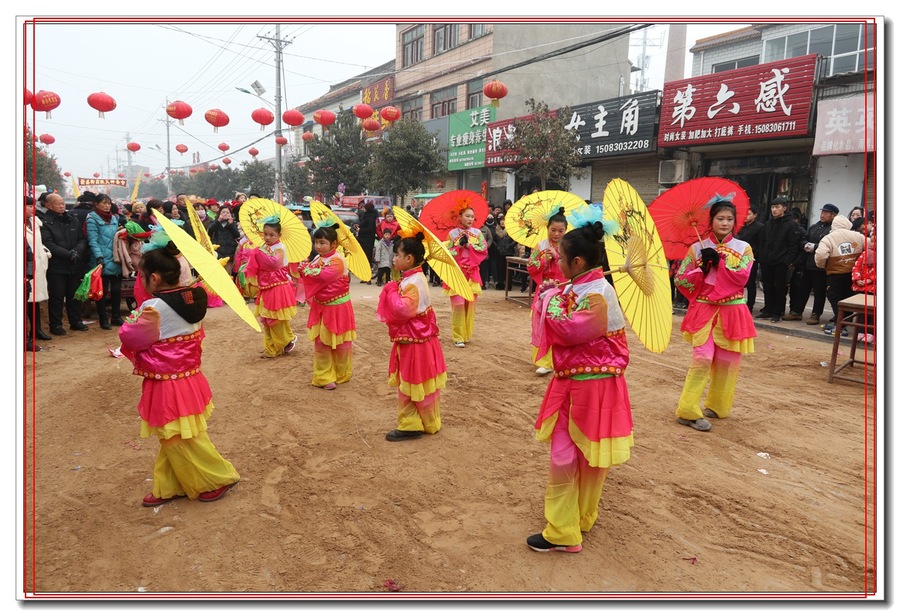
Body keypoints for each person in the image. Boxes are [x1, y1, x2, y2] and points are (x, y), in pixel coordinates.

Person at [526, 218, 634, 553]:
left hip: (591, 386)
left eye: (560, 258)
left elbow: (571, 331)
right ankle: (580, 517)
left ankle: (563, 530)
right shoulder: (584, 288)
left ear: (578, 262)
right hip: (586, 383)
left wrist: (550, 301)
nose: (556, 263)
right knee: (584, 454)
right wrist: (554, 294)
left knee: (569, 456)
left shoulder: (598, 293)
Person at [119, 241, 240, 506]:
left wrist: (132, 319)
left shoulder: (154, 309)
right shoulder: (193, 297)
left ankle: (217, 477)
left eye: (141, 276)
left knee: (177, 436)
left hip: (168, 384)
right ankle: (170, 485)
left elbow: (131, 338)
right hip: (189, 378)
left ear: (154, 278)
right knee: (176, 435)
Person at [673, 199, 757, 431]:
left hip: (733, 310)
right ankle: (687, 411)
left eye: (730, 219)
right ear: (711, 221)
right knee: (702, 359)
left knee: (728, 361)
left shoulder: (744, 248)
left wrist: (720, 264)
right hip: (704, 310)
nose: (725, 223)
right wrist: (702, 269)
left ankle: (718, 406)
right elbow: (681, 278)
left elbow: (743, 277)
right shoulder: (697, 248)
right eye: (720, 218)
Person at [375, 232, 448, 442]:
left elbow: (403, 310)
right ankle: (428, 421)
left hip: (414, 341)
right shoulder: (415, 278)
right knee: (421, 381)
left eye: (397, 255)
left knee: (410, 380)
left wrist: (390, 291)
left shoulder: (413, 282)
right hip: (421, 339)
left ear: (409, 259)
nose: (394, 258)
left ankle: (409, 424)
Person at [298, 225, 357, 390]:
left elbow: (323, 276)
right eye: (316, 242)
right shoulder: (318, 258)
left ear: (333, 244)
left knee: (341, 343)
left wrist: (306, 270)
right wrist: (305, 269)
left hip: (338, 308)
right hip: (321, 307)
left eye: (322, 243)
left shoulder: (337, 260)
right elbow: (315, 273)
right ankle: (323, 376)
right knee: (322, 342)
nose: (318, 246)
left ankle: (341, 373)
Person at [243, 217, 298, 358]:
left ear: (279, 235)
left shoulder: (280, 248)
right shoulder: (263, 248)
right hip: (266, 286)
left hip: (278, 287)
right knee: (266, 319)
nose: (267, 237)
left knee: (275, 319)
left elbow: (273, 263)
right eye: (265, 234)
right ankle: (273, 346)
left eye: (271, 235)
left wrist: (257, 253)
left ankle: (284, 342)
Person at [526, 208, 568, 375]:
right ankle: (544, 360)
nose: (556, 234)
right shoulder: (541, 245)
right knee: (540, 322)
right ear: (547, 228)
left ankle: (558, 359)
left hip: (562, 288)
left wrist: (557, 257)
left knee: (558, 323)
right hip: (544, 288)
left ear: (566, 230)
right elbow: (531, 266)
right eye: (553, 230)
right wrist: (544, 261)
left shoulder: (569, 245)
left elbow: (572, 266)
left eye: (560, 231)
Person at [41, 193, 89, 335]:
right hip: (57, 265)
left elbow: (82, 239)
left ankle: (76, 321)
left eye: (63, 203)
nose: (62, 206)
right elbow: (48, 243)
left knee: (74, 295)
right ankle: (55, 325)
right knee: (57, 296)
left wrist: (76, 251)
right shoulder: (44, 222)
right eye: (58, 203)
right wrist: (68, 254)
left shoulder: (72, 219)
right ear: (48, 205)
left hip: (75, 264)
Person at [815, 215, 866, 336]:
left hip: (835, 274)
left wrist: (823, 265)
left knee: (836, 299)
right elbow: (871, 247)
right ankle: (844, 323)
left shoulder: (828, 238)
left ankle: (840, 325)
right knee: (849, 299)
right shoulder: (858, 237)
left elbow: (820, 255)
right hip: (853, 274)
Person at [445, 206, 488, 348]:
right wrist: (458, 247)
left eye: (472, 217)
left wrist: (470, 246)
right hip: (457, 273)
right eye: (467, 216)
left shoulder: (477, 233)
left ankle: (466, 334)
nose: (470, 219)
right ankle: (457, 336)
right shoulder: (452, 234)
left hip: (472, 273)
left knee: (470, 305)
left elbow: (484, 250)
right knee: (458, 304)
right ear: (460, 216)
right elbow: (447, 253)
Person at [788, 203, 837, 325]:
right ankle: (796, 312)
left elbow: (831, 246)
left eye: (826, 213)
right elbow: (804, 237)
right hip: (808, 263)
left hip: (821, 266)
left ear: (833, 215)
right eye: (822, 212)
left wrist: (815, 247)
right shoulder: (814, 227)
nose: (822, 215)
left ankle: (815, 314)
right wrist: (805, 244)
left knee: (819, 291)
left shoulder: (833, 230)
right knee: (803, 289)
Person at [85, 193, 127, 330]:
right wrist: (99, 256)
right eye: (104, 203)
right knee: (101, 292)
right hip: (101, 260)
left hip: (116, 258)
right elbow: (92, 240)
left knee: (116, 290)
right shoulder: (92, 219)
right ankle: (103, 319)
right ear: (96, 204)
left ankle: (116, 316)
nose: (107, 205)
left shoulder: (115, 218)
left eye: (109, 203)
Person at [756, 196, 801, 323]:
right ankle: (768, 309)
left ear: (784, 208)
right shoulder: (769, 223)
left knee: (780, 287)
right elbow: (763, 241)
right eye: (773, 207)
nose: (774, 210)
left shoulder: (791, 224)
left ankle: (778, 311)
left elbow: (794, 245)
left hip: (781, 261)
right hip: (766, 260)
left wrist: (787, 261)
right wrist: (762, 256)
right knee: (767, 286)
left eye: (777, 207)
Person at [25, 196, 53, 348]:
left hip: (37, 265)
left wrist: (44, 253)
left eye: (32, 206)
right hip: (25, 266)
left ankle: (37, 330)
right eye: (28, 206)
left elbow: (39, 242)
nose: (31, 209)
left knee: (35, 300)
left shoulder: (35, 221)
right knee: (25, 301)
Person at [735, 206, 764, 312]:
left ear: (755, 215)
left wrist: (755, 256)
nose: (746, 216)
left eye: (749, 214)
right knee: (738, 281)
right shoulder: (741, 227)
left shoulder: (760, 227)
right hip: (738, 257)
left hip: (751, 258)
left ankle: (750, 305)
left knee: (751, 282)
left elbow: (761, 244)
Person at [207, 206, 240, 274]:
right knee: (217, 274)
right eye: (223, 212)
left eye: (227, 212)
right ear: (219, 214)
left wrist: (231, 224)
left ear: (231, 215)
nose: (225, 214)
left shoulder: (233, 224)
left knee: (228, 274)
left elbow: (237, 235)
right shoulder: (214, 222)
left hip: (229, 254)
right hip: (218, 253)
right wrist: (219, 221)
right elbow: (210, 231)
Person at [491, 214, 517, 290]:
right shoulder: (496, 230)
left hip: (509, 253)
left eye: (504, 221)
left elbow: (516, 241)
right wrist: (497, 247)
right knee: (500, 269)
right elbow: (493, 240)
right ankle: (500, 283)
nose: (503, 222)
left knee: (509, 270)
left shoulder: (510, 231)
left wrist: (510, 245)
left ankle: (509, 285)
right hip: (499, 253)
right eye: (501, 220)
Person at [356, 202, 378, 283]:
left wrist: (360, 230)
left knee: (367, 258)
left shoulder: (371, 217)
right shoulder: (366, 215)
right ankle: (364, 276)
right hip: (363, 239)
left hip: (367, 240)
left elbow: (370, 229)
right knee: (363, 258)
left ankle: (368, 277)